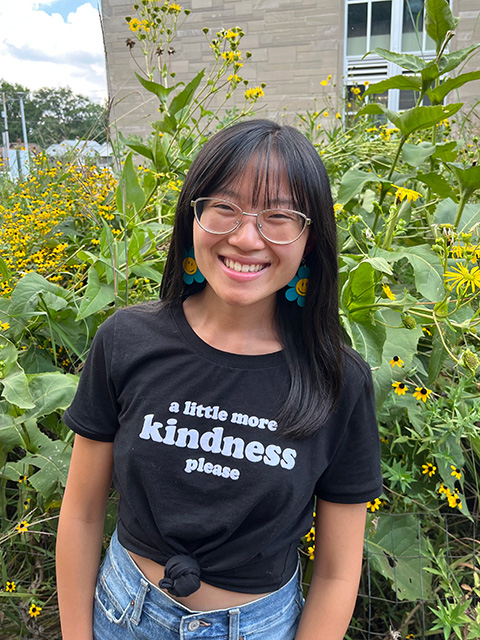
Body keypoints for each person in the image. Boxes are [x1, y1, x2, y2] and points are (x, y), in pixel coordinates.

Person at [56, 118, 382, 640]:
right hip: (122, 614)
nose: (246, 237)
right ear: (193, 218)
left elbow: (339, 572)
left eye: (279, 216)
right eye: (225, 208)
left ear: (309, 239)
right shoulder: (125, 340)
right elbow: (81, 512)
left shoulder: (339, 381)